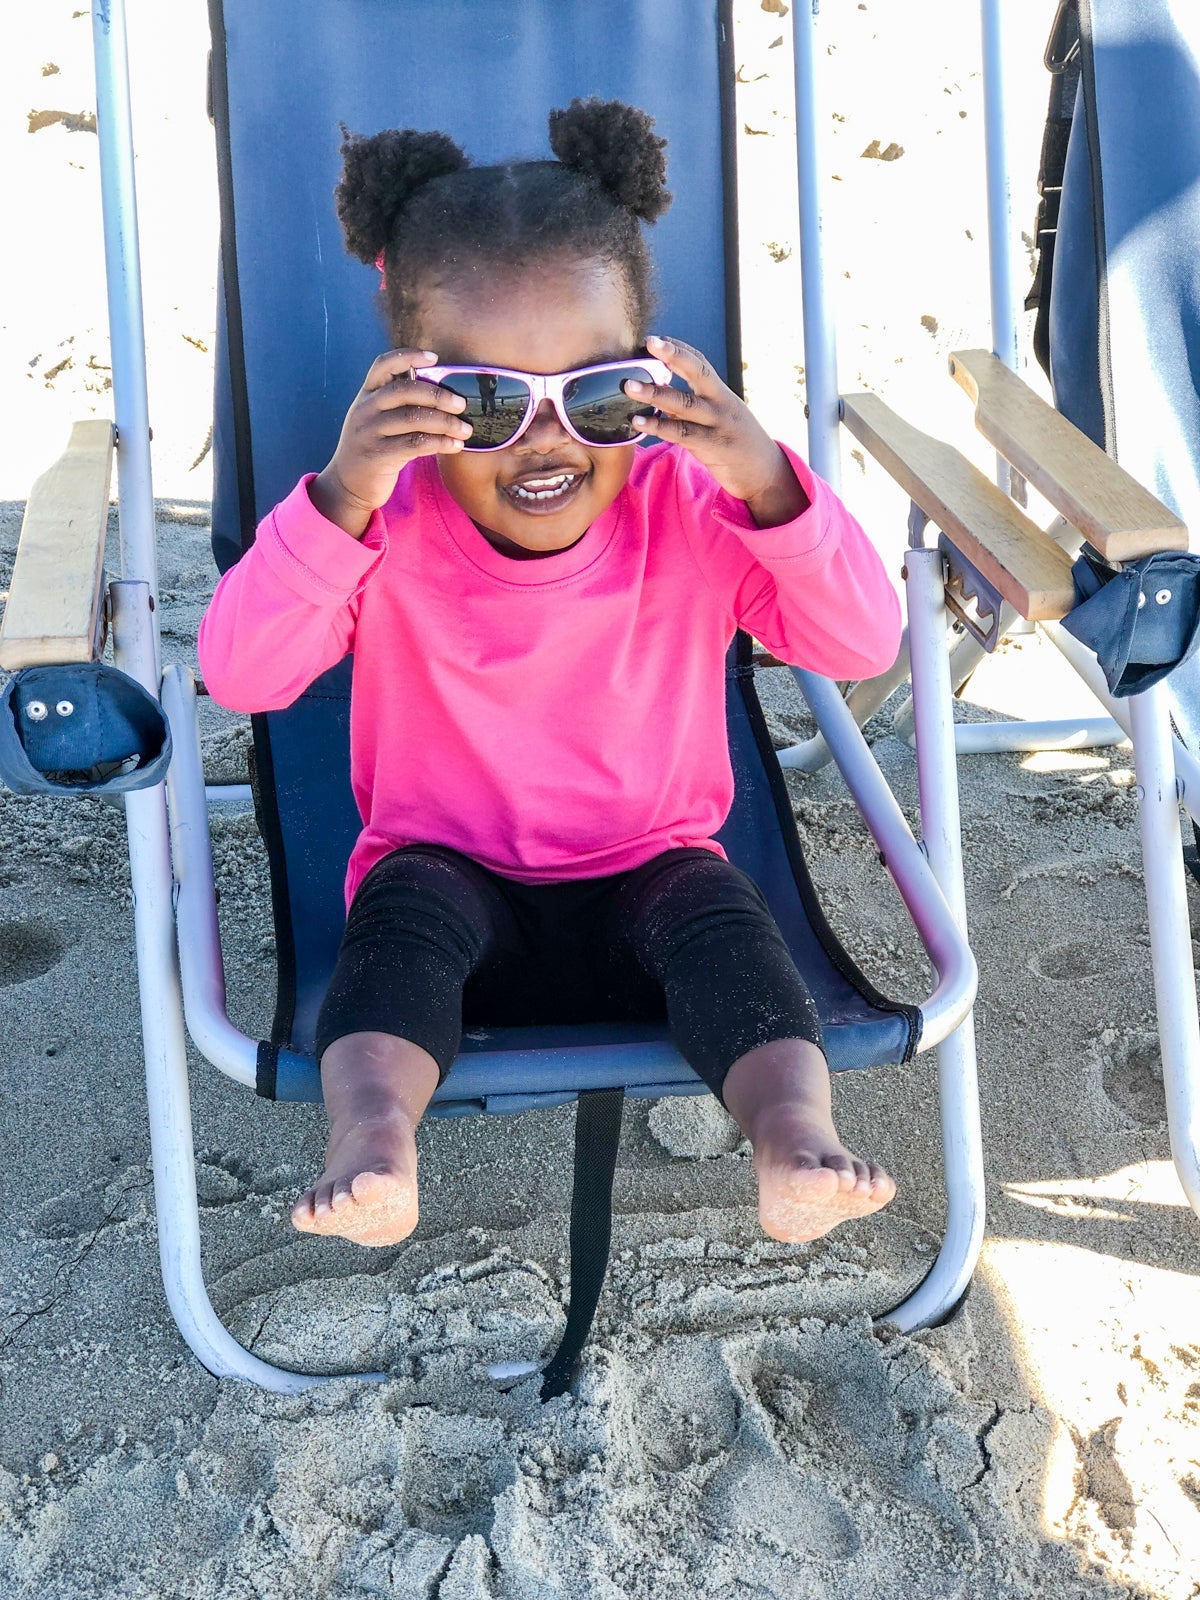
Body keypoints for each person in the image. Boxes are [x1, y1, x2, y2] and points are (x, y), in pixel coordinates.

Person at [197, 99, 903, 1253]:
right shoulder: (379, 519)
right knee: (393, 948)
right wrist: (339, 497)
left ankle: (791, 1136)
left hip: (656, 873)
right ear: (409, 396)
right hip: (447, 874)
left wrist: (770, 483)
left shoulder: (698, 511)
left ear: (659, 383)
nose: (548, 439)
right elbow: (240, 673)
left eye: (601, 395)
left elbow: (862, 646)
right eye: (483, 402)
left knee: (732, 934)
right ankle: (373, 1136)